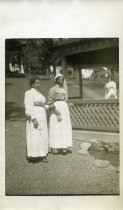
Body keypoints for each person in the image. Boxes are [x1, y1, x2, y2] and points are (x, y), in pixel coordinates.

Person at [24, 77, 48, 163]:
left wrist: (48, 107)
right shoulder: (29, 93)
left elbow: (41, 105)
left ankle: (42, 154)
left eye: (39, 83)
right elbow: (28, 107)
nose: (39, 84)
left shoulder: (39, 94)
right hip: (35, 116)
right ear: (32, 84)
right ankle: (34, 156)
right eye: (37, 83)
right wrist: (33, 119)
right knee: (35, 135)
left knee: (42, 134)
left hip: (42, 116)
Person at [48, 74, 72, 155]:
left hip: (64, 108)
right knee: (57, 127)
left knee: (64, 127)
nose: (61, 81)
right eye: (60, 80)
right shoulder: (53, 89)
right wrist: (56, 112)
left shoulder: (63, 89)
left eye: (62, 79)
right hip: (57, 108)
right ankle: (56, 147)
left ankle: (64, 146)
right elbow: (50, 101)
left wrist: (68, 104)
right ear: (56, 80)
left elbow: (64, 100)